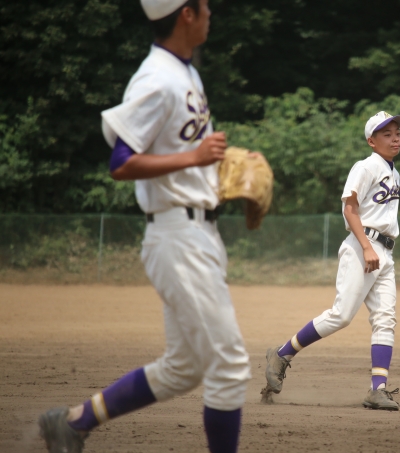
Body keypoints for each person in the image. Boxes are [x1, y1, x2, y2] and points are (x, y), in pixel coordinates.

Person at [37, 1, 251, 452]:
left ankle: (74, 423)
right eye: (204, 5)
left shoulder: (186, 73)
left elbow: (181, 156)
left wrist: (217, 172)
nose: (211, 12)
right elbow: (121, 161)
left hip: (197, 234)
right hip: (178, 238)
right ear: (186, 14)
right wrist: (194, 158)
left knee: (184, 367)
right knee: (229, 366)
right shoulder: (157, 78)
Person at [263, 111, 400, 410]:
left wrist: (377, 250)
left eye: (397, 133)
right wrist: (366, 247)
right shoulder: (365, 166)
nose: (395, 138)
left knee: (385, 319)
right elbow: (350, 209)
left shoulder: (394, 173)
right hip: (363, 246)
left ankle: (377, 390)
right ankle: (282, 353)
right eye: (387, 134)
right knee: (341, 315)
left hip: (385, 251)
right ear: (371, 141)